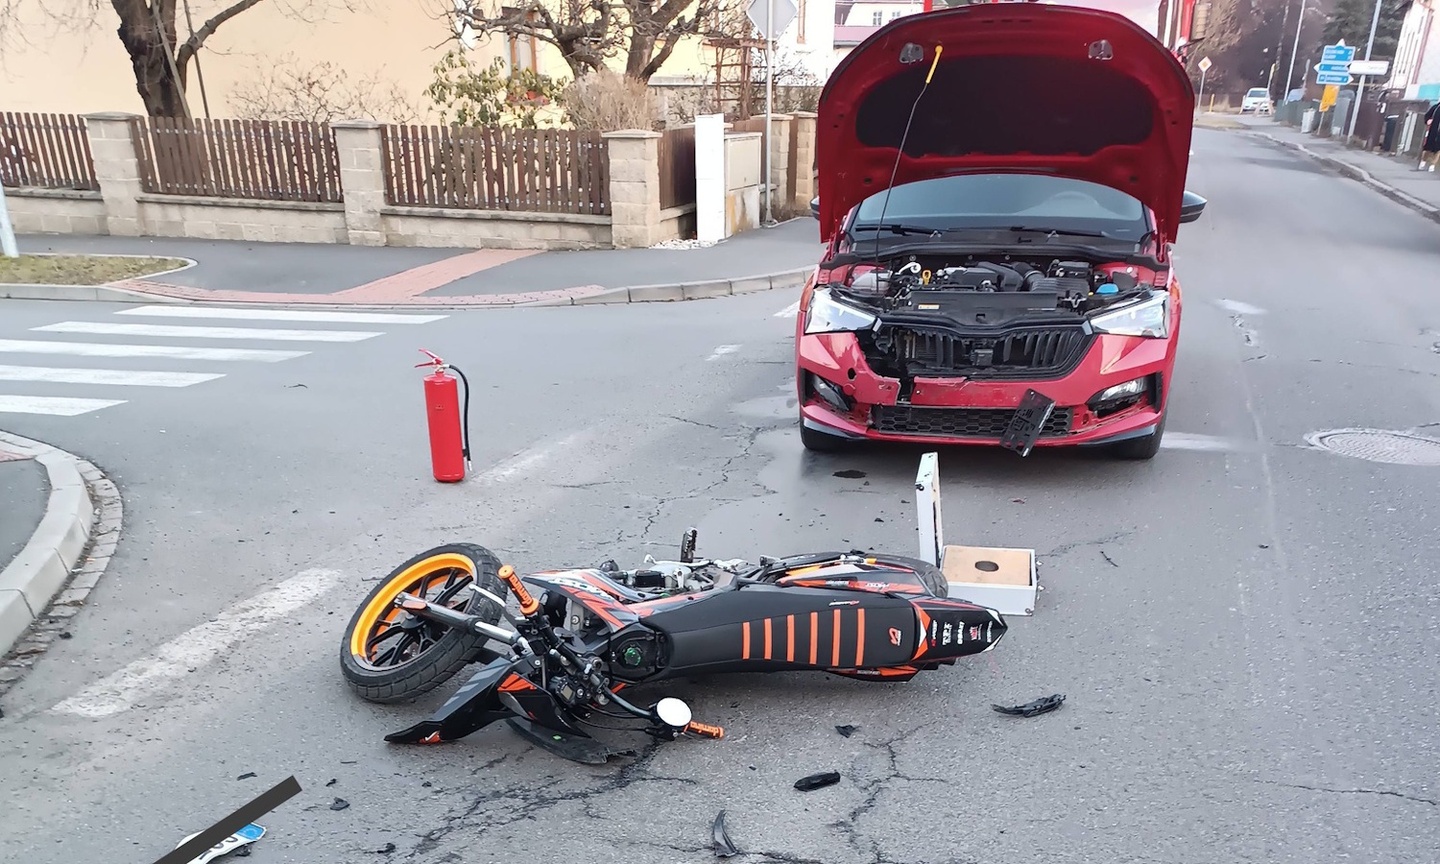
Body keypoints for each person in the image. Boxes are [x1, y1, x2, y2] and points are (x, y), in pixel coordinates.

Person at [1420, 101, 1440, 172]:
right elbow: (1427, 115)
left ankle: (1432, 165)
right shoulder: (1435, 108)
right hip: (1432, 131)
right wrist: (1427, 120)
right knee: (1427, 148)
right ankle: (1423, 161)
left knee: (1438, 150)